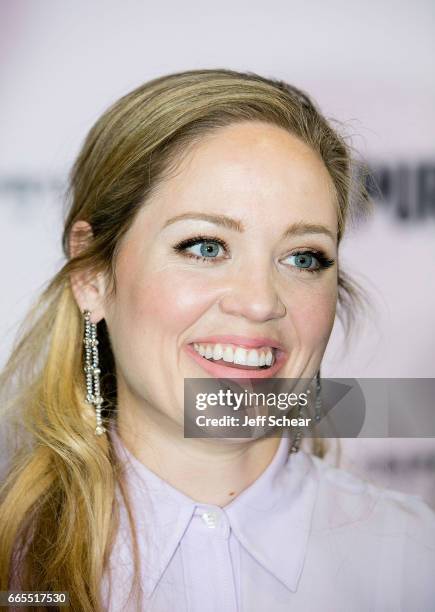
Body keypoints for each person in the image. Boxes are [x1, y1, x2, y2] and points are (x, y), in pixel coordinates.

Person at [0, 68, 434, 612]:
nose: (259, 302)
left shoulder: (417, 562)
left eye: (303, 257)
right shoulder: (12, 562)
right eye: (205, 247)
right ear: (93, 276)